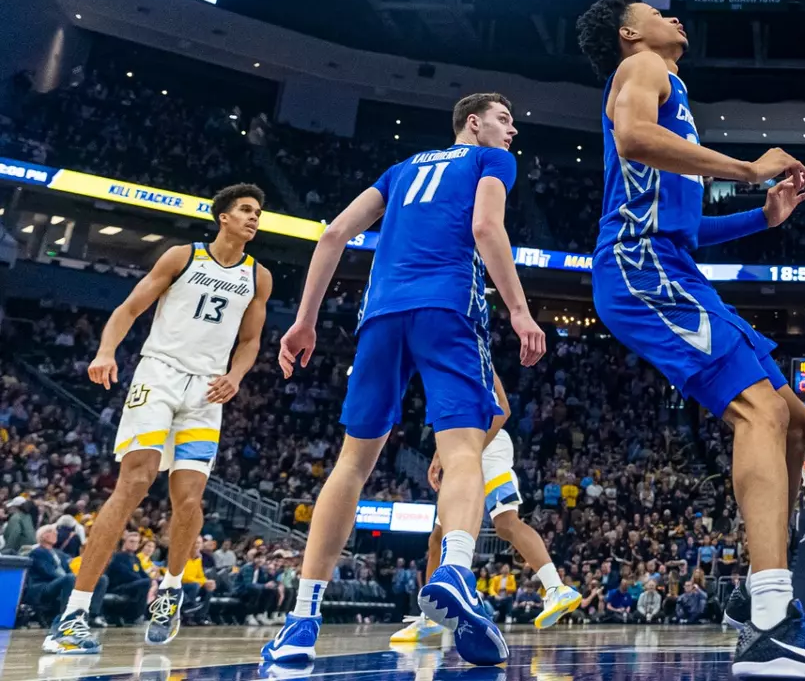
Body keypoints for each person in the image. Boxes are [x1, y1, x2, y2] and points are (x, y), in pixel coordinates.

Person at [574, 0, 805, 680]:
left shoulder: (666, 86)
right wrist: (745, 169)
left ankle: (753, 596)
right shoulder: (645, 70)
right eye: (656, 10)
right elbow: (631, 137)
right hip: (642, 268)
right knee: (764, 411)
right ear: (630, 33)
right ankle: (774, 618)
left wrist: (759, 218)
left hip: (671, 263)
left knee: (796, 421)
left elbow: (684, 228)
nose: (672, 17)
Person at [262, 93, 547, 668]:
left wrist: (305, 322)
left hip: (381, 315)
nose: (513, 129)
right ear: (475, 122)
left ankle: (300, 622)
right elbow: (487, 227)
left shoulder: (401, 169)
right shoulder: (490, 162)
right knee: (464, 450)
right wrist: (518, 309)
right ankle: (457, 572)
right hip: (448, 310)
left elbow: (332, 235)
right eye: (503, 119)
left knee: (351, 464)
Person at [46, 184, 271, 655]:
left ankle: (170, 590)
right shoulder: (182, 256)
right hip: (160, 374)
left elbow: (250, 340)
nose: (254, 218)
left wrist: (236, 375)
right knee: (136, 482)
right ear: (223, 218)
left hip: (208, 390)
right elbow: (130, 307)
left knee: (189, 499)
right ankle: (74, 613)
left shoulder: (258, 276)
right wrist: (106, 351)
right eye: (246, 211)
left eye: (258, 213)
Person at [390, 375, 582, 645]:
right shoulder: (442, 363)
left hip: (486, 443)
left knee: (506, 523)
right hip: (460, 445)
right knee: (436, 538)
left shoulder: (475, 350)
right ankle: (431, 616)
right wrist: (440, 453)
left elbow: (502, 409)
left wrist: (470, 448)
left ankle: (556, 588)